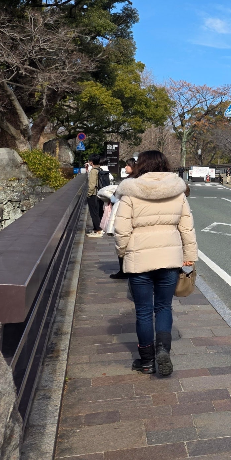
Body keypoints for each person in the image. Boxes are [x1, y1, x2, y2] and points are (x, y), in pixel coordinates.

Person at [113, 150, 197, 376]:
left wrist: (123, 252)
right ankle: (163, 350)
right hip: (170, 259)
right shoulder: (177, 191)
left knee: (143, 311)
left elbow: (121, 230)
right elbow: (186, 228)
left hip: (139, 258)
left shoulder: (130, 192)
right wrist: (189, 255)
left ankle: (147, 360)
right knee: (163, 307)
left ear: (141, 165)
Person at [107, 158, 136, 280]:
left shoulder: (127, 182)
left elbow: (115, 197)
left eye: (127, 165)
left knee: (122, 240)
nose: (125, 168)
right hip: (136, 215)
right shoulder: (141, 180)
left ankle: (123, 270)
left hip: (123, 212)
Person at [85, 156, 105, 237]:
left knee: (94, 213)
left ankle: (98, 230)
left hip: (93, 194)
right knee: (99, 211)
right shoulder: (100, 169)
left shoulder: (93, 171)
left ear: (91, 162)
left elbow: (92, 184)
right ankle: (98, 228)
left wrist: (89, 194)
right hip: (100, 193)